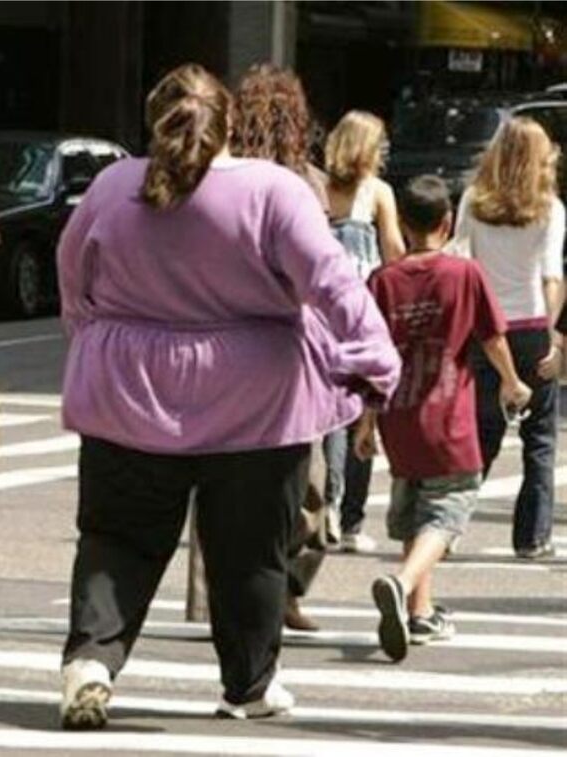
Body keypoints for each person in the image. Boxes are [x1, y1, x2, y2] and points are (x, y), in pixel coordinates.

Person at [56, 63, 400, 730]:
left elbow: (76, 277)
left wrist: (96, 338)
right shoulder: (275, 190)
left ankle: (92, 661)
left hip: (129, 392)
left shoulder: (112, 185)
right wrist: (373, 361)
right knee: (250, 552)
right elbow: (332, 281)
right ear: (229, 122)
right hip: (257, 399)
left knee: (115, 538)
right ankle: (247, 683)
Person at [356, 175, 532, 662]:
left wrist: (367, 423)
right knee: (449, 508)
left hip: (398, 416)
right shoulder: (464, 273)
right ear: (448, 222)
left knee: (417, 511)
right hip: (449, 416)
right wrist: (513, 382)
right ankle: (404, 582)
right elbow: (493, 337)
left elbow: (373, 355)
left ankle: (419, 612)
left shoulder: (382, 281)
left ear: (402, 224)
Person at [227, 62, 330, 632]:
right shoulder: (308, 186)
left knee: (220, 473)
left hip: (216, 343)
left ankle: (218, 590)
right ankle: (287, 589)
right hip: (288, 347)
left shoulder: (213, 178)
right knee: (302, 482)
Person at [448, 117, 565, 559]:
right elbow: (552, 275)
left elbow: (461, 258)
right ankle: (532, 537)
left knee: (480, 431)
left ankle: (449, 525)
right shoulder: (550, 208)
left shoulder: (474, 201)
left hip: (483, 328)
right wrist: (552, 334)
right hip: (532, 326)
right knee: (539, 437)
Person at [322, 110, 407, 553]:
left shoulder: (318, 188)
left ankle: (327, 506)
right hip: (364, 308)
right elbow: (393, 253)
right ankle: (351, 518)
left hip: (320, 308)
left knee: (327, 414)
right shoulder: (377, 193)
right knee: (360, 409)